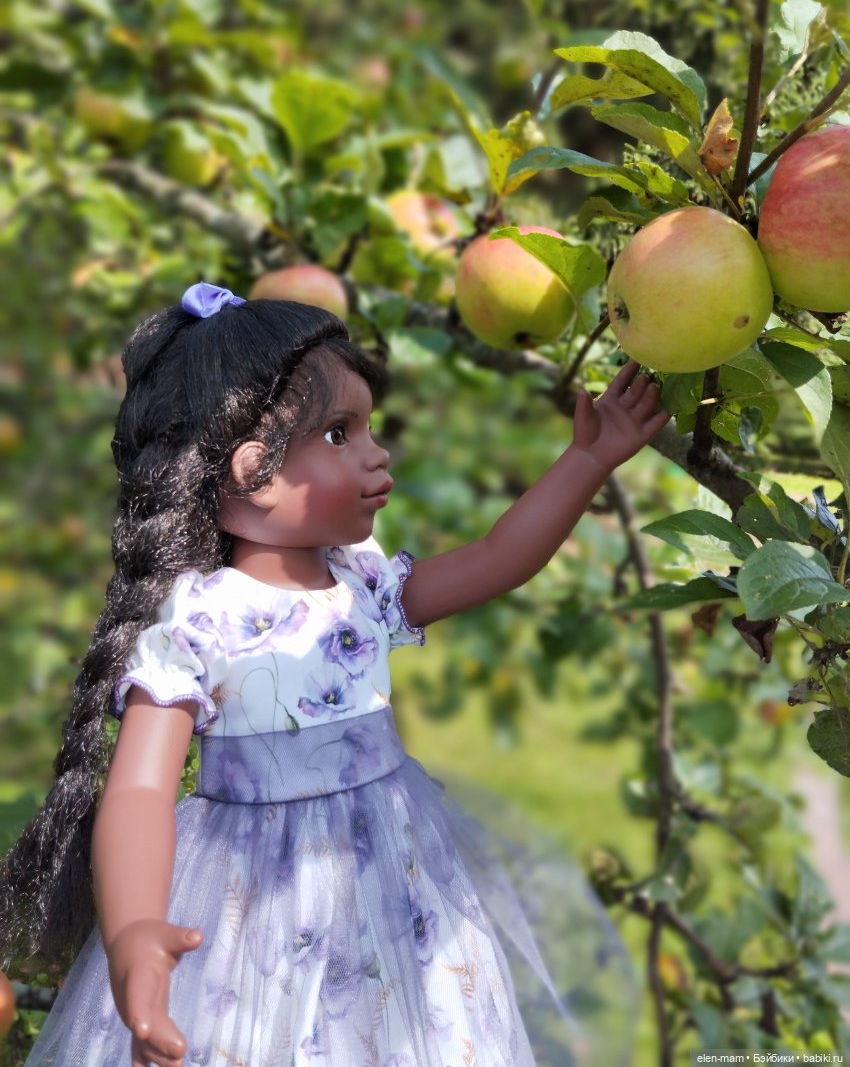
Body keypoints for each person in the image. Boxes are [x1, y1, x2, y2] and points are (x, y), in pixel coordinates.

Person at [1, 282, 669, 1067]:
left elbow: (496, 560)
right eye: (340, 432)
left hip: (396, 870)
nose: (377, 452)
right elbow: (140, 791)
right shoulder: (198, 622)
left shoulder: (362, 583)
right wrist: (135, 930)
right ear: (253, 468)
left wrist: (586, 459)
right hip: (256, 899)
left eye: (368, 427)